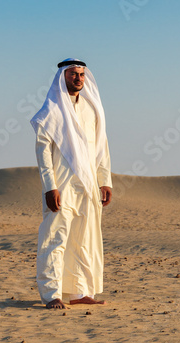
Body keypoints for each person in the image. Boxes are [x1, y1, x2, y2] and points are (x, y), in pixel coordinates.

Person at [30, 58, 112, 309]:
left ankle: (79, 293)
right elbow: (44, 154)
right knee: (55, 237)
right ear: (63, 77)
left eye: (81, 74)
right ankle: (52, 294)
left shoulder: (91, 108)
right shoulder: (51, 111)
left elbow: (101, 147)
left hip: (87, 184)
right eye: (73, 74)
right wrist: (49, 186)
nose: (78, 78)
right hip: (62, 184)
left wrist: (105, 180)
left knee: (84, 238)